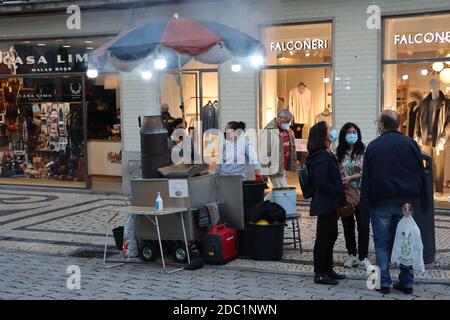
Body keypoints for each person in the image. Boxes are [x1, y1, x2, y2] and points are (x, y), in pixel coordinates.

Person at [360, 110, 428, 295]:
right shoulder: (410, 144)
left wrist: (365, 204)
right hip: (403, 203)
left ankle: (383, 282)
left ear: (382, 125)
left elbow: (368, 178)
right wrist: (412, 198)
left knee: (382, 242)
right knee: (406, 239)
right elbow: (417, 173)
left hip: (380, 202)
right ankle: (406, 282)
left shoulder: (374, 146)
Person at [306, 121, 346, 285]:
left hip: (330, 203)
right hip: (325, 203)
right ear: (322, 135)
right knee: (323, 238)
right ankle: (320, 273)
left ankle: (328, 269)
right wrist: (337, 190)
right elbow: (320, 182)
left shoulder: (325, 153)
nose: (332, 131)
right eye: (329, 129)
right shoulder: (321, 156)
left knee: (331, 236)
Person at [336, 123, 371, 271]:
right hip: (346, 195)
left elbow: (368, 171)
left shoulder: (364, 151)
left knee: (363, 226)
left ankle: (363, 257)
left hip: (362, 195)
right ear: (344, 135)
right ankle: (352, 254)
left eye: (354, 131)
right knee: (348, 225)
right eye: (349, 132)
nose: (352, 134)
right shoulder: (339, 152)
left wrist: (353, 177)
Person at [263, 109, 296, 188]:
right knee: (283, 190)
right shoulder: (269, 130)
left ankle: (265, 200)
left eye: (289, 122)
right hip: (274, 167)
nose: (288, 124)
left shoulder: (287, 130)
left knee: (279, 191)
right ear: (280, 119)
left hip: (282, 166)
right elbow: (265, 151)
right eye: (287, 121)